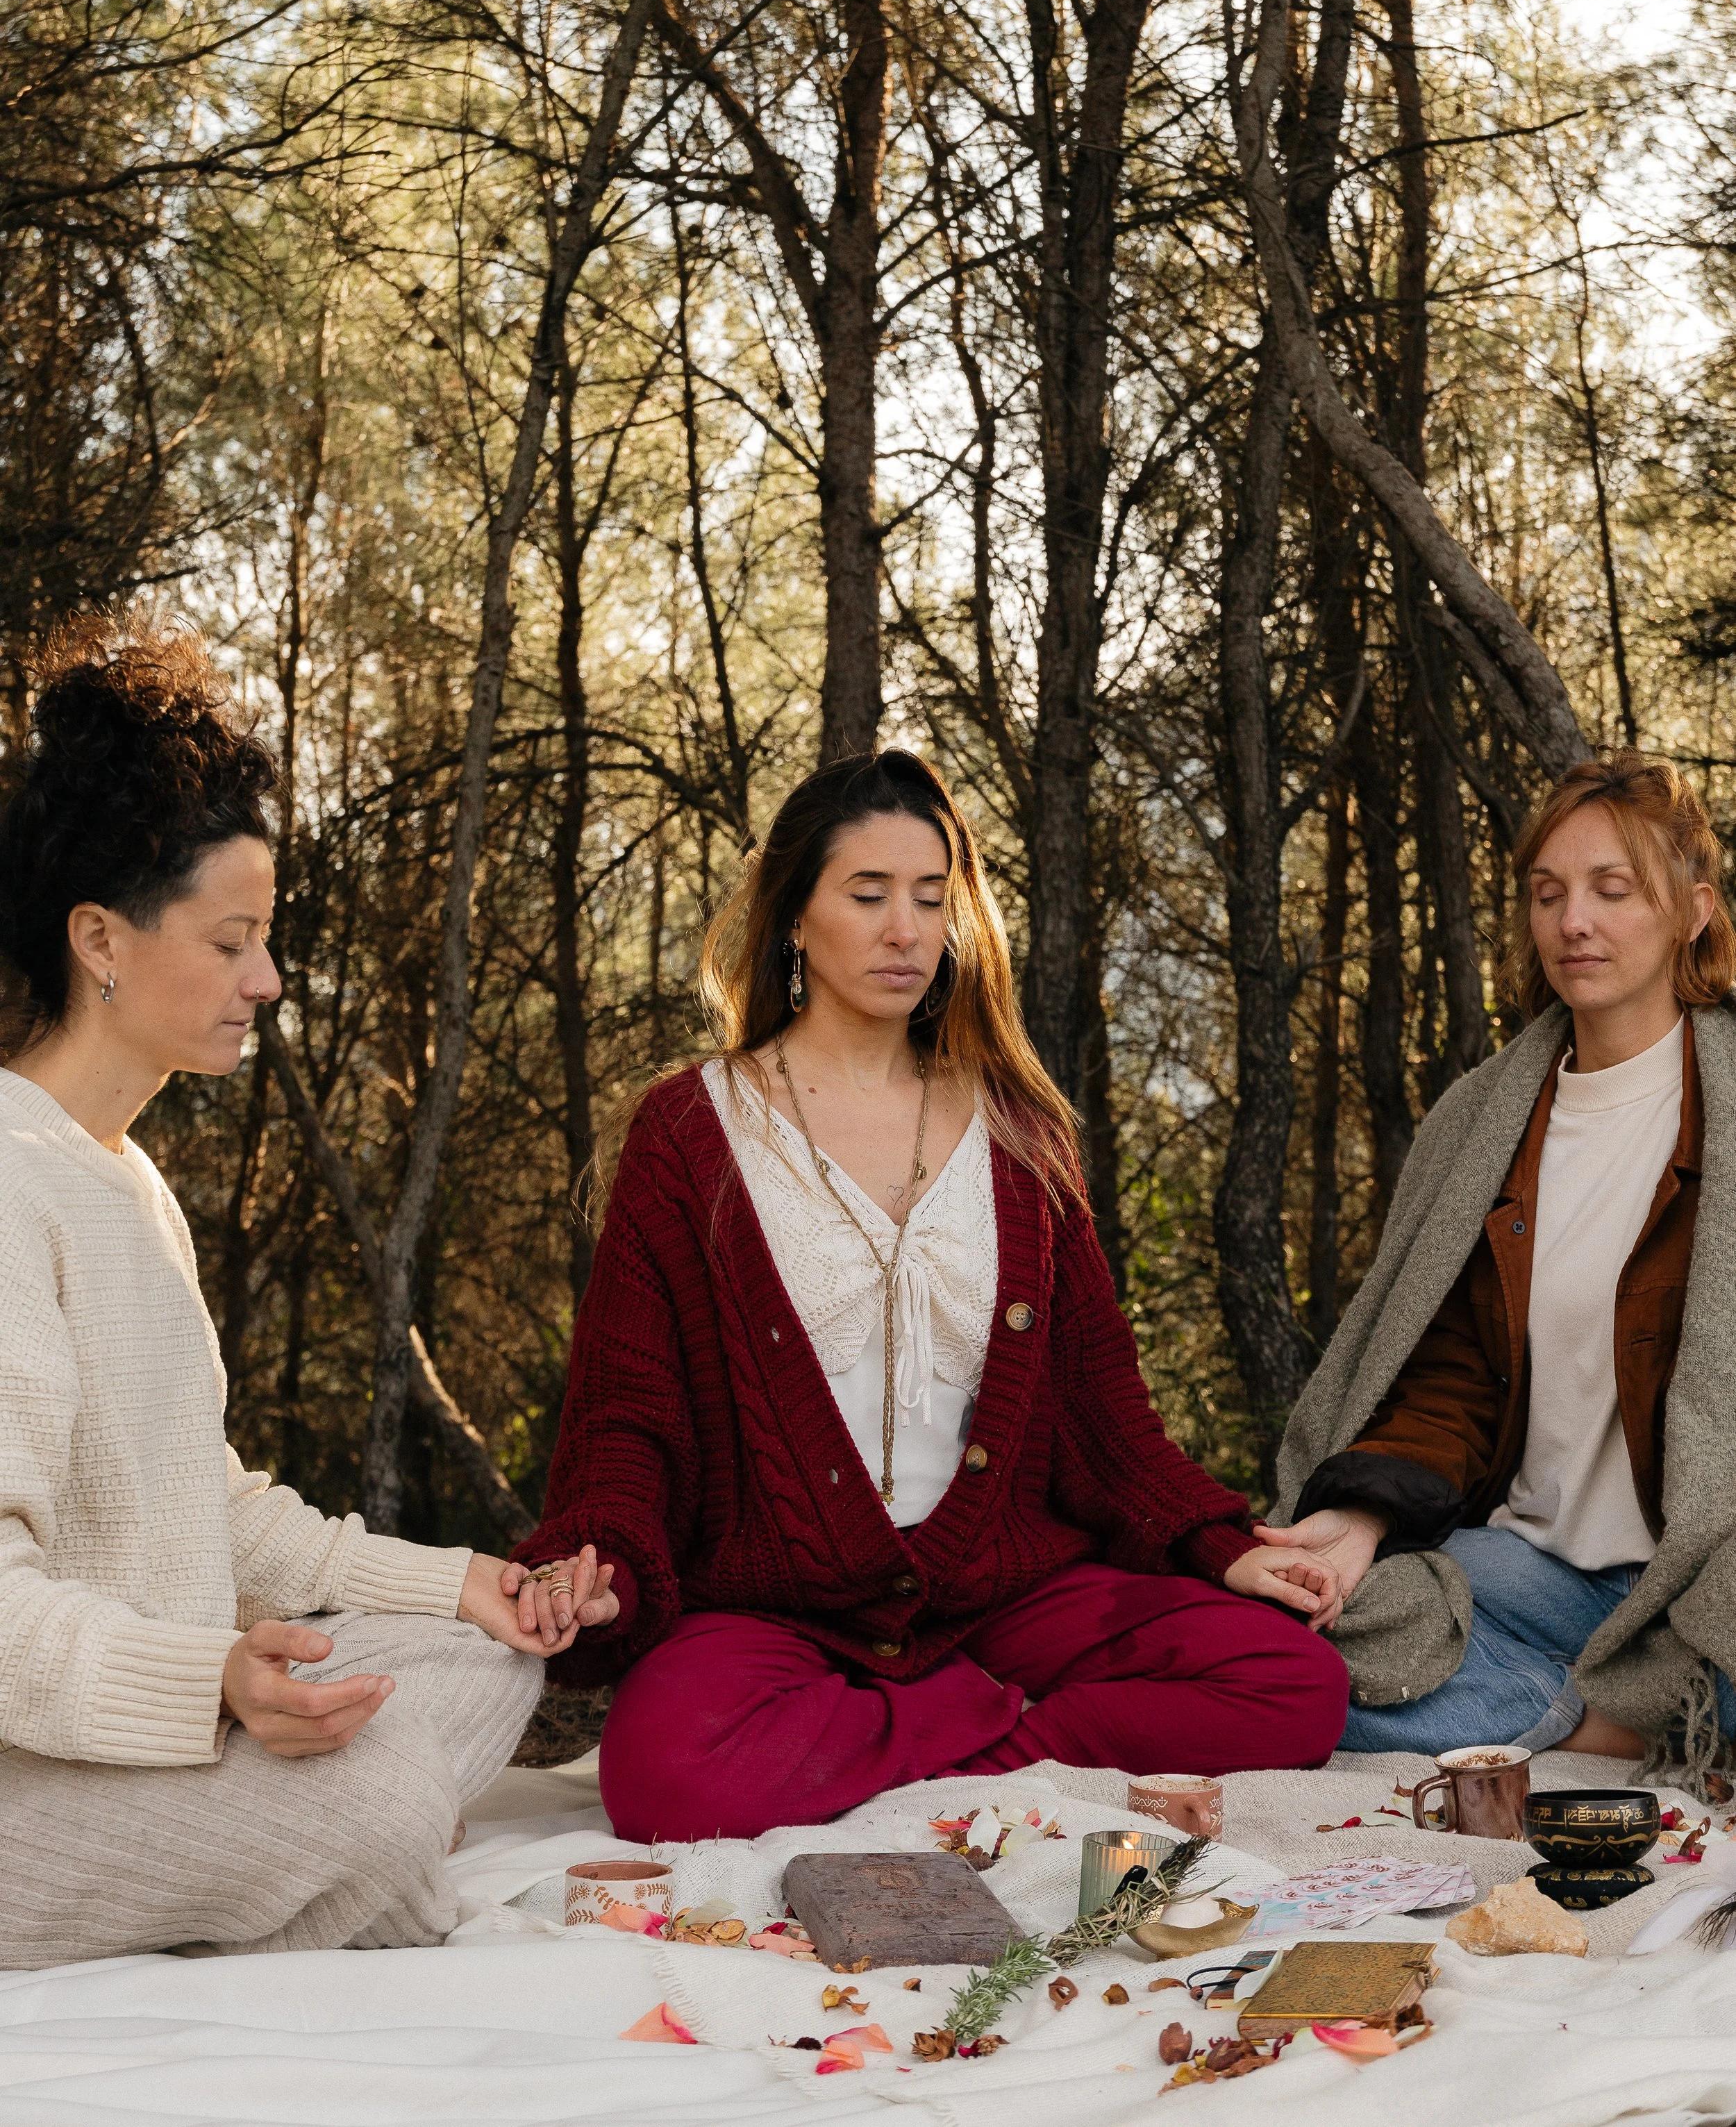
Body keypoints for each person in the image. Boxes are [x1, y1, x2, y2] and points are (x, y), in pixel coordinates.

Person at [508, 749, 1349, 1842]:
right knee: (662, 1770)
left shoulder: (1018, 1129)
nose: (906, 929)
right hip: (776, 1611)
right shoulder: (692, 1132)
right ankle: (1003, 1747)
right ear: (793, 915)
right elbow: (628, 1415)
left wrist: (1222, 1546)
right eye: (868, 895)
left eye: (931, 896)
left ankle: (912, 1755)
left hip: (1004, 1600)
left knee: (1294, 1679)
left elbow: (1105, 1411)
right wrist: (602, 1557)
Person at [0, 622, 613, 1969]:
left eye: (264, 941)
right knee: (387, 1799)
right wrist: (211, 1685)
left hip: (150, 1733)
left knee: (486, 1656)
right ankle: (323, 1863)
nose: (264, 982)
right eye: (232, 944)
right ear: (99, 938)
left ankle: (278, 1852)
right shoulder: (8, 1178)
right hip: (26, 1785)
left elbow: (211, 1509)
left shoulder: (124, 1178)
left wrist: (468, 1583)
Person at [1264, 753, 1736, 1780]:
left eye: (1614, 890)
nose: (1576, 922)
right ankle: (1595, 1725)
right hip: (1537, 1568)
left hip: (1712, 1571)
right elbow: (1452, 1369)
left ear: (1694, 910)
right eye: (1549, 893)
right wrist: (1359, 1517)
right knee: (1296, 1636)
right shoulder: (1484, 1126)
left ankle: (1591, 1703)